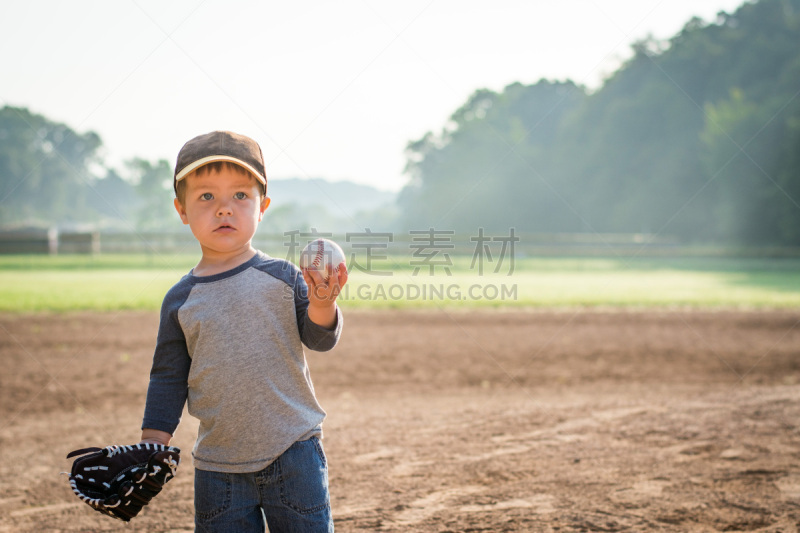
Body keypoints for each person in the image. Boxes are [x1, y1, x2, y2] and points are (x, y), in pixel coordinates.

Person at [139, 130, 346, 532]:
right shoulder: (181, 299)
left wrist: (323, 303)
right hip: (218, 466)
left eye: (240, 196)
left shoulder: (283, 277)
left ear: (262, 206)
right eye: (205, 197)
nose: (223, 210)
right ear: (181, 209)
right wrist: (151, 444)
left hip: (295, 453)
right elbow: (167, 378)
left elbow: (319, 339)